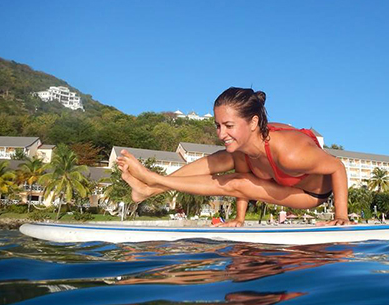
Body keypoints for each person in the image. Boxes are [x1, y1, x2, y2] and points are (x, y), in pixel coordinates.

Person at [117, 87, 350, 227]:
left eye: (228, 125)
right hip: (275, 178)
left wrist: (341, 215)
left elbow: (337, 167)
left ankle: (153, 180)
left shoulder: (290, 153)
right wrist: (239, 218)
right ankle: (147, 189)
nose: (221, 133)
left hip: (311, 194)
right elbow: (247, 179)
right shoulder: (245, 147)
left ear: (254, 122)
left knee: (236, 179)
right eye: (218, 125)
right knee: (222, 158)